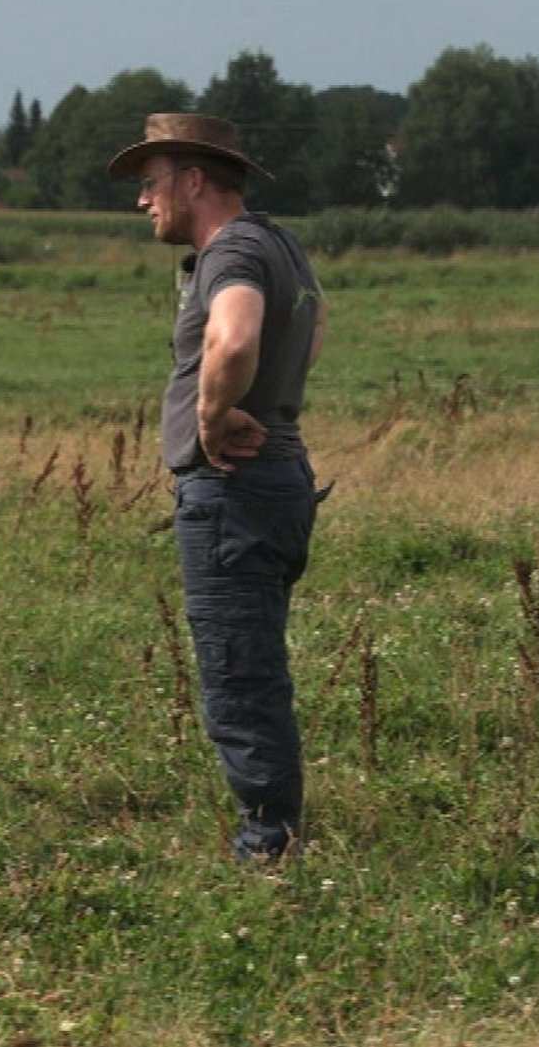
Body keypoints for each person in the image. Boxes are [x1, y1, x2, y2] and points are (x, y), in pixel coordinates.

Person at [108, 114, 327, 861]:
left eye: (150, 182)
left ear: (193, 179)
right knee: (254, 661)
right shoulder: (278, 243)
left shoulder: (229, 252)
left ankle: (268, 847)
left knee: (239, 674)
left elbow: (235, 336)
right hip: (279, 479)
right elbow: (316, 323)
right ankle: (276, 829)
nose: (143, 201)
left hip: (233, 490)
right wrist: (267, 399)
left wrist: (211, 414)